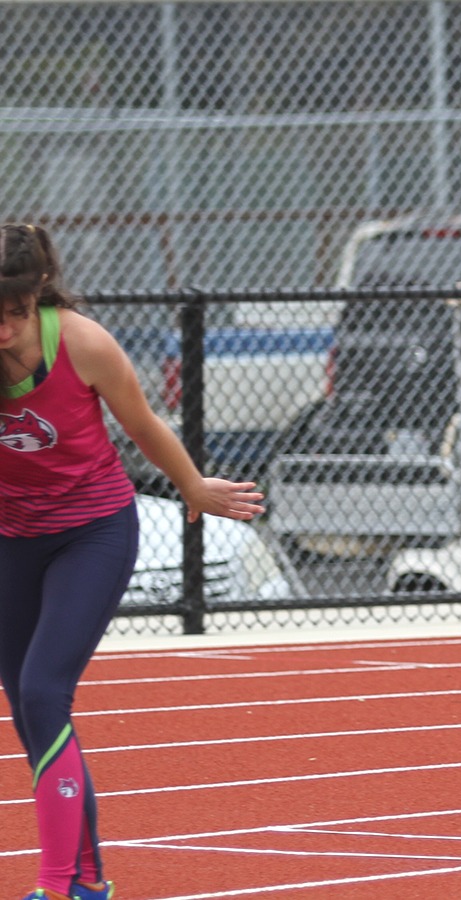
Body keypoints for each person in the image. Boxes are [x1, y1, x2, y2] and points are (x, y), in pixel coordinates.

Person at [0, 223, 265, 900]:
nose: (2, 331)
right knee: (32, 716)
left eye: (15, 314)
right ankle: (89, 880)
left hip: (93, 531)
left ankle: (55, 885)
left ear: (38, 296)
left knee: (42, 691)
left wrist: (193, 486)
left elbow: (144, 423)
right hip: (12, 538)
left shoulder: (82, 343)